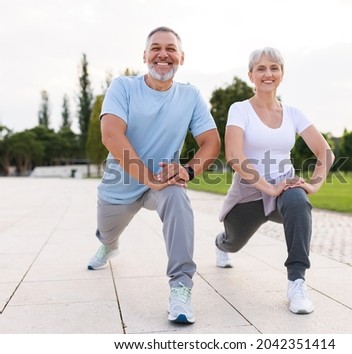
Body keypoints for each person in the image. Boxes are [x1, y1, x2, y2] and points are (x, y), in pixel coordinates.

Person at [87, 26, 220, 324]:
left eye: (171, 49)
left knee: (177, 197)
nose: (163, 54)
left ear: (181, 58)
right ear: (145, 56)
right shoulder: (123, 87)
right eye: (156, 48)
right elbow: (110, 135)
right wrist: (147, 178)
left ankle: (181, 287)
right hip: (119, 184)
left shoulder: (190, 95)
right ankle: (108, 245)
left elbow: (212, 142)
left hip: (162, 181)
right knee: (108, 233)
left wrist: (186, 171)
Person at [215, 47, 334, 314]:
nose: (267, 73)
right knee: (232, 242)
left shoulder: (293, 113)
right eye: (261, 68)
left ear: (281, 74)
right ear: (251, 75)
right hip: (248, 192)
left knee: (298, 202)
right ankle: (220, 245)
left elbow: (325, 151)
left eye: (274, 68)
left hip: (284, 188)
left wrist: (313, 184)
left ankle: (297, 283)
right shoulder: (240, 110)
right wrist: (269, 187)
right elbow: (234, 156)